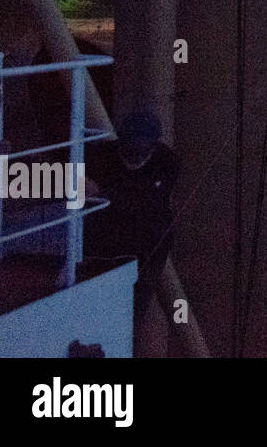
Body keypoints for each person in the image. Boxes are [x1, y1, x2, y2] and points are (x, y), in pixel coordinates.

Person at [85, 110, 179, 355]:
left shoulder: (166, 163)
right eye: (129, 150)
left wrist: (103, 193)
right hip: (104, 247)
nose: (134, 158)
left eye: (141, 152)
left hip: (147, 252)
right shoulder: (101, 157)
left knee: (129, 316)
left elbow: (147, 200)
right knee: (91, 307)